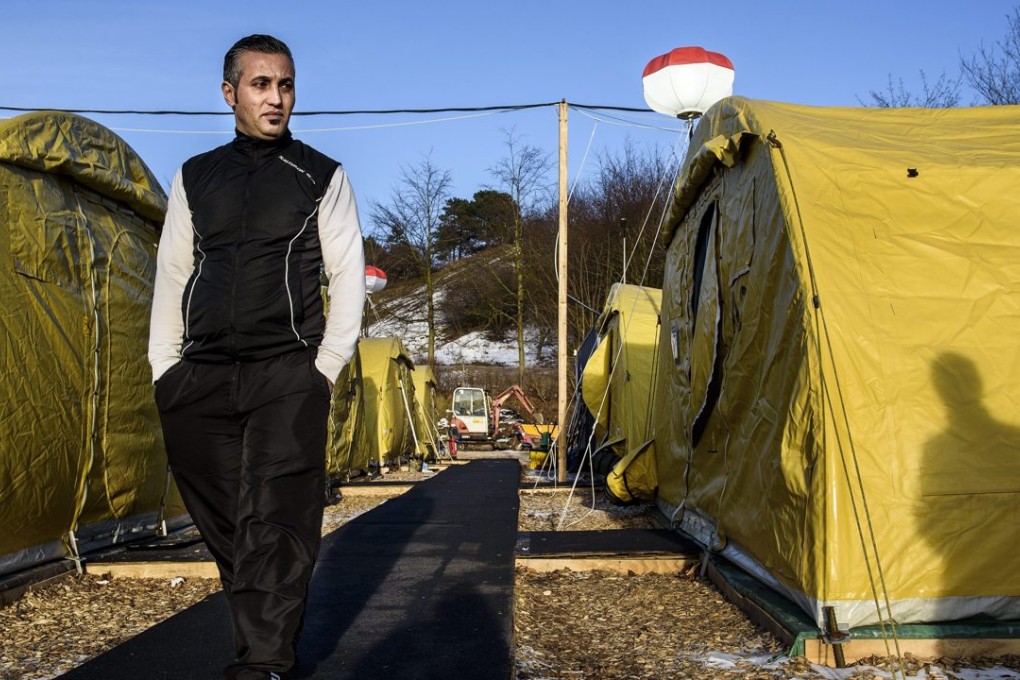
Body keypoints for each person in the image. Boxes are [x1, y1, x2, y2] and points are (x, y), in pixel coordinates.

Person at [148, 33, 365, 680]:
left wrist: (324, 365)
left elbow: (347, 273)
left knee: (276, 513)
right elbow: (172, 272)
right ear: (230, 93)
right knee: (229, 518)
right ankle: (263, 627)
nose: (276, 97)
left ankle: (263, 660)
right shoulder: (196, 176)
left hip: (287, 371)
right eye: (261, 84)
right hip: (199, 377)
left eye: (286, 84)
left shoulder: (321, 175)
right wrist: (165, 367)